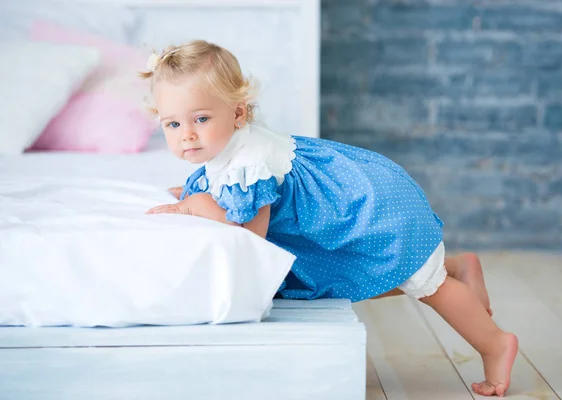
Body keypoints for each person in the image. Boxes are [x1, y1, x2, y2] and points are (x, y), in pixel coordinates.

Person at [142, 40, 518, 397]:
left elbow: (248, 236)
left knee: (425, 284)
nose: (187, 135)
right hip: (340, 214)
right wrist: (196, 192)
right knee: (367, 274)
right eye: (172, 125)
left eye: (201, 119)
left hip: (370, 210)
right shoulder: (226, 146)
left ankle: (495, 344)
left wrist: (196, 206)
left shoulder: (250, 164)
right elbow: (223, 185)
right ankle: (457, 269)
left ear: (238, 113)